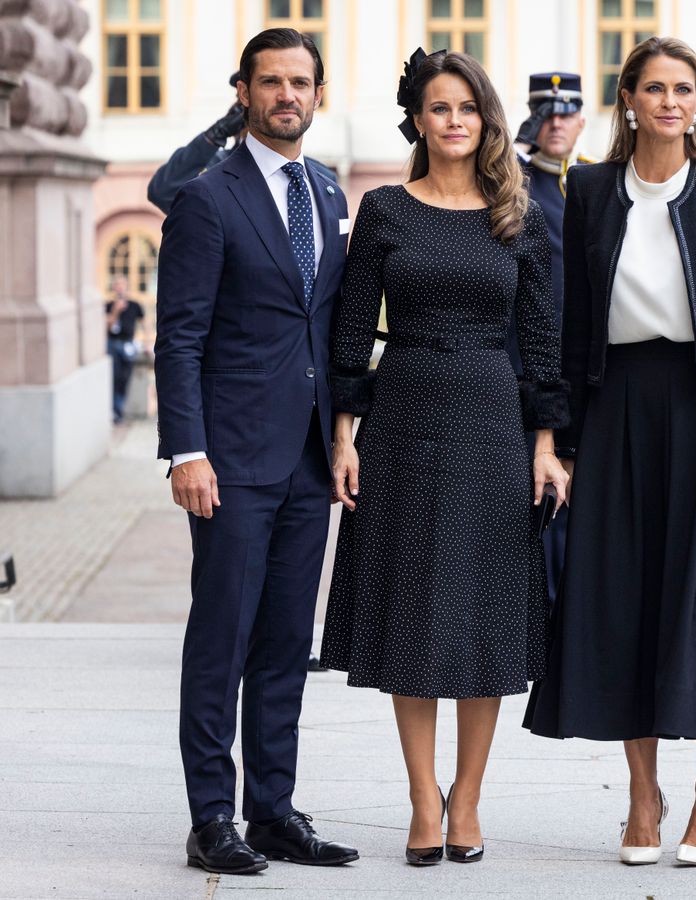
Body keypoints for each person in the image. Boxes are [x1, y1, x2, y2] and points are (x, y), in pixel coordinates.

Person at [524, 36, 696, 869]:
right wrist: (558, 440)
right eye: (655, 88)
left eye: (684, 90)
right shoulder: (594, 189)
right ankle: (644, 798)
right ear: (628, 101)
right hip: (617, 409)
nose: (670, 102)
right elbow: (572, 327)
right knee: (622, 601)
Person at [318, 48, 569, 867]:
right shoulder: (385, 208)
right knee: (414, 609)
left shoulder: (517, 214)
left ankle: (469, 797)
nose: (453, 120)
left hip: (493, 422)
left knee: (486, 613)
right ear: (418, 120)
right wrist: (346, 436)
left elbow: (541, 342)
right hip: (403, 420)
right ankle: (423, 799)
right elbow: (352, 333)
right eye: (438, 108)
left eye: (467, 107)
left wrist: (546, 447)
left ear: (486, 119)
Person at [155, 28, 358, 874]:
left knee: (284, 642)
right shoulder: (209, 197)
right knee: (224, 639)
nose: (287, 96)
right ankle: (212, 815)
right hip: (231, 461)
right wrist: (186, 451)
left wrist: (347, 434)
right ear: (244, 91)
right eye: (270, 82)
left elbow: (335, 327)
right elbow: (180, 337)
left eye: (300, 82)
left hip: (310, 459)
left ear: (319, 92)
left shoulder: (328, 190)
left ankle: (271, 809)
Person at [513, 71, 594, 604]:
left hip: (583, 367)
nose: (557, 123)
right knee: (529, 499)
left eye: (566, 114)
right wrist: (521, 141)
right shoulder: (514, 183)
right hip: (526, 367)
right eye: (546, 113)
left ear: (582, 121)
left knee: (580, 498)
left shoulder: (594, 182)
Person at [148, 72, 337, 216]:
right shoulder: (211, 167)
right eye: (246, 105)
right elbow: (162, 191)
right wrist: (216, 133)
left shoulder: (320, 177)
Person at [105, 276, 144, 423]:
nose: (119, 287)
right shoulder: (109, 305)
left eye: (122, 284)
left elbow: (144, 322)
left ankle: (119, 409)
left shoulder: (134, 305)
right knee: (113, 377)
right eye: (117, 285)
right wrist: (115, 311)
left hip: (128, 344)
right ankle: (115, 412)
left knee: (124, 377)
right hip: (113, 344)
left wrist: (145, 342)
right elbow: (107, 326)